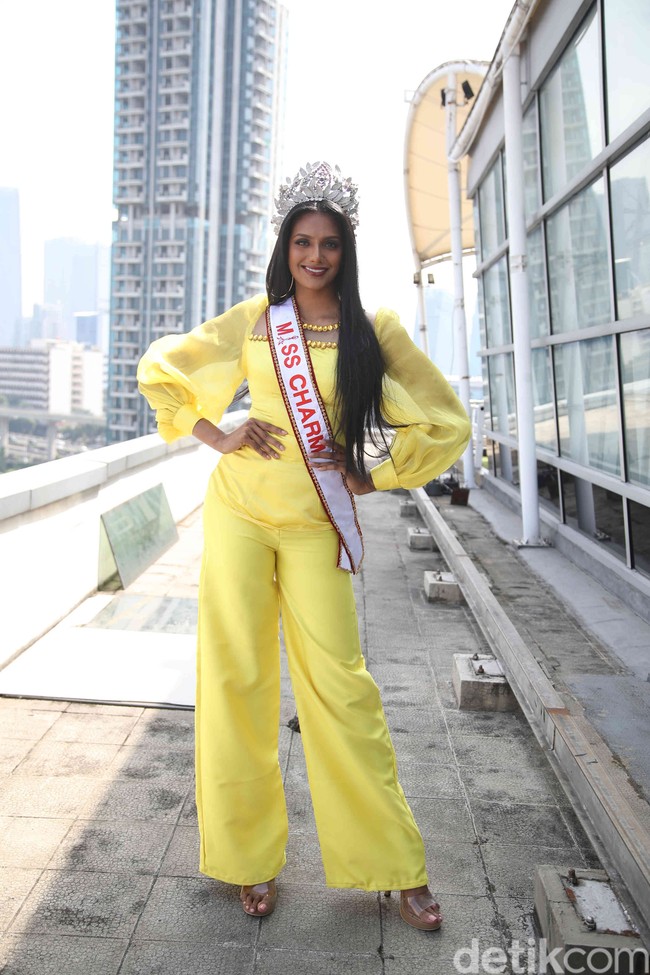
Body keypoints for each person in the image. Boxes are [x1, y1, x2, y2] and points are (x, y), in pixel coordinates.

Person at [137, 161, 471, 931]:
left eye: (328, 245)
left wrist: (373, 473)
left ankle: (395, 864)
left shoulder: (374, 329)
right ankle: (249, 860)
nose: (315, 257)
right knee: (238, 679)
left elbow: (446, 421)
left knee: (342, 686)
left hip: (318, 519)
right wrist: (214, 431)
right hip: (241, 513)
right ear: (284, 247)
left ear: (346, 250)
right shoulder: (257, 317)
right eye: (302, 243)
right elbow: (163, 368)